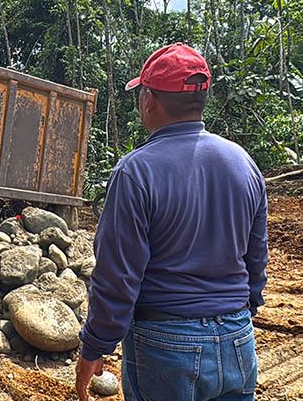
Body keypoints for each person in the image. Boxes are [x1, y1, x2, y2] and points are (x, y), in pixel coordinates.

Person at [75, 43, 269, 401]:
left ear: (149, 100)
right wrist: (243, 309)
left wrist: (95, 345)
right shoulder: (243, 163)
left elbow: (118, 274)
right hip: (237, 335)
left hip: (167, 344)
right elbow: (255, 255)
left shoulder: (136, 171)